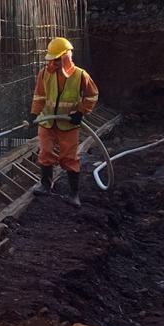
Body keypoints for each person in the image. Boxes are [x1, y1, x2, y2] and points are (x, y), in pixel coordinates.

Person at [29, 37, 100, 206]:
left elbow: (92, 95)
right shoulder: (45, 73)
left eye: (58, 59)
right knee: (45, 152)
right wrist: (34, 114)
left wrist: (81, 112)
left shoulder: (80, 75)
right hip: (47, 122)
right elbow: (39, 96)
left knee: (69, 157)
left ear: (66, 57)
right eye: (53, 59)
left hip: (68, 124)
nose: (54, 62)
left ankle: (74, 194)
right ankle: (46, 185)